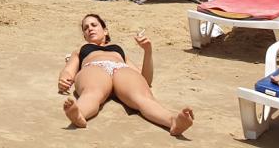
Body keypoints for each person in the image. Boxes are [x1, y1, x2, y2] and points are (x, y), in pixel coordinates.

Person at [58, 13, 194, 136]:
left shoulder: (118, 50)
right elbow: (69, 70)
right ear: (84, 35)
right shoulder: (81, 50)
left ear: (105, 30)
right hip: (95, 68)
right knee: (93, 92)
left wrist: (148, 52)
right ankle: (79, 113)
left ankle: (172, 121)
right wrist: (63, 79)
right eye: (86, 28)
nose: (90, 29)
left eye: (94, 25)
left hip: (120, 69)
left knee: (142, 97)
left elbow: (146, 79)